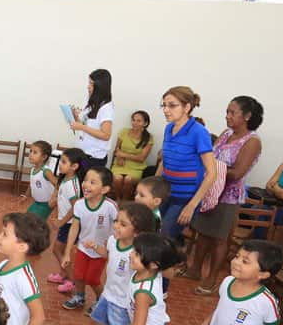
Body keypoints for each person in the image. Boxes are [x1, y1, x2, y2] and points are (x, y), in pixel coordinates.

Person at [190, 96, 265, 295]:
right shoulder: (226, 134)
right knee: (203, 233)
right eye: (227, 111)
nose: (227, 116)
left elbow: (238, 172)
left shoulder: (252, 142)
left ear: (247, 116)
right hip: (210, 190)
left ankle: (211, 279)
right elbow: (212, 158)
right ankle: (194, 269)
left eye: (233, 112)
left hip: (228, 196)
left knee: (219, 239)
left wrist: (212, 169)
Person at [89, 203, 157, 325]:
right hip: (108, 293)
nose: (117, 226)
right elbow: (109, 253)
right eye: (117, 221)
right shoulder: (113, 240)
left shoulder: (138, 253)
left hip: (123, 301)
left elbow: (149, 273)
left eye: (123, 224)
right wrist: (97, 248)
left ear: (137, 232)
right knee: (97, 321)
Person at [156, 86, 217, 241]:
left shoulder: (198, 132)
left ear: (187, 107)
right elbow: (165, 160)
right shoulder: (169, 128)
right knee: (155, 232)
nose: (166, 110)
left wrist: (191, 205)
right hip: (165, 193)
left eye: (172, 105)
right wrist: (154, 188)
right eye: (164, 105)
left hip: (185, 198)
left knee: (165, 236)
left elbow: (211, 173)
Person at [61, 166, 118, 311]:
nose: (86, 184)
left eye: (92, 182)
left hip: (101, 251)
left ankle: (101, 300)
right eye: (85, 180)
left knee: (92, 279)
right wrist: (67, 252)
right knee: (78, 275)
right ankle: (80, 296)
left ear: (104, 189)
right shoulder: (79, 205)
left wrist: (114, 247)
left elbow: (120, 226)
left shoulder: (110, 207)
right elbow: (74, 228)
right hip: (83, 247)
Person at [47, 148, 86, 294]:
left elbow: (75, 208)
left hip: (71, 224)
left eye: (64, 162)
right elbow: (62, 200)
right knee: (59, 250)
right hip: (66, 222)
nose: (60, 164)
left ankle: (71, 281)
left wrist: (61, 222)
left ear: (74, 166)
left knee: (57, 249)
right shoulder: (65, 179)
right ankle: (64, 274)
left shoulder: (72, 185)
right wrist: (56, 209)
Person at [70, 69, 114, 167]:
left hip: (93, 158)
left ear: (100, 86)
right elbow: (86, 125)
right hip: (83, 154)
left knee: (86, 179)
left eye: (91, 83)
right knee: (79, 179)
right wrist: (76, 117)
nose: (88, 86)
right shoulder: (92, 102)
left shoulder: (106, 107)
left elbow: (106, 135)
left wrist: (82, 127)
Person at [110, 110, 153, 200]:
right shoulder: (124, 132)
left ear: (145, 123)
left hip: (136, 168)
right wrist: (119, 157)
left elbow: (141, 158)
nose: (134, 123)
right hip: (120, 165)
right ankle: (118, 199)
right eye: (133, 120)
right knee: (117, 179)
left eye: (138, 121)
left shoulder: (149, 137)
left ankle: (125, 201)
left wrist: (123, 155)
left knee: (128, 180)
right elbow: (116, 149)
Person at [25, 140, 58, 221]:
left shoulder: (46, 171)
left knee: (36, 221)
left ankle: (39, 233)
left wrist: (54, 198)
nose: (31, 154)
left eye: (35, 152)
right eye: (30, 151)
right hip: (37, 202)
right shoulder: (33, 169)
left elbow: (58, 184)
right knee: (27, 217)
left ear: (44, 157)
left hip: (46, 204)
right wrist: (26, 196)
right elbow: (31, 184)